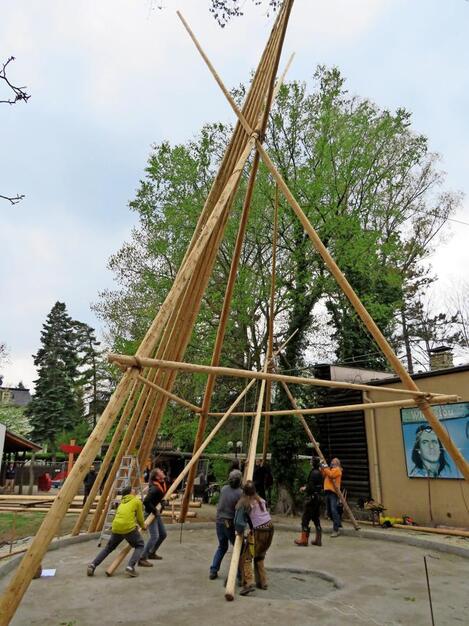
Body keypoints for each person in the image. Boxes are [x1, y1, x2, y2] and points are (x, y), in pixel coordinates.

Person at [87, 485, 146, 578]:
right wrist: (143, 526)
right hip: (128, 528)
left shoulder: (122, 502)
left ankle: (92, 565)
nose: (135, 490)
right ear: (130, 492)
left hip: (116, 527)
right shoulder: (136, 501)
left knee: (108, 548)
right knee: (140, 545)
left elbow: (117, 516)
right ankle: (130, 567)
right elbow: (140, 518)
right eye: (133, 489)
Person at [234, 480, 274, 596]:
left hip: (260, 530)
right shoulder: (261, 500)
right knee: (260, 555)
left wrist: (239, 532)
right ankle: (262, 582)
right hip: (270, 528)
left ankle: (248, 583)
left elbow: (239, 522)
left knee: (246, 557)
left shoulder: (245, 502)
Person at [209, 469, 242, 580]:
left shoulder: (224, 489)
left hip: (219, 521)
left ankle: (213, 570)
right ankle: (240, 574)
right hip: (229, 523)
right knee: (239, 548)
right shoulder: (240, 493)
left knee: (222, 546)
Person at [140, 468, 168, 563]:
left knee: (163, 534)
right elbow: (146, 501)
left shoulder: (160, 484)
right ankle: (142, 558)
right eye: (160, 472)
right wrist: (155, 510)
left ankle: (151, 553)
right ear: (157, 477)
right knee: (154, 536)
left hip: (155, 512)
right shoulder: (155, 488)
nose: (163, 472)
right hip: (150, 514)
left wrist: (164, 502)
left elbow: (159, 498)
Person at [294, 456, 323, 547]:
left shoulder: (313, 473)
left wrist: (304, 488)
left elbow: (311, 486)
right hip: (318, 498)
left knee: (305, 519)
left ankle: (304, 540)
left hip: (312, 498)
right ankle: (318, 540)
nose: (310, 462)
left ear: (313, 463)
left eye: (311, 461)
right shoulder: (319, 472)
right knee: (316, 518)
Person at [321, 458, 343, 538]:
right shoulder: (330, 469)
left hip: (333, 492)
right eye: (332, 461)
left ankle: (336, 530)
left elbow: (331, 475)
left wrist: (325, 467)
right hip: (327, 492)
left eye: (334, 461)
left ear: (337, 463)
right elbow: (324, 475)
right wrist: (322, 467)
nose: (332, 462)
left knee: (333, 510)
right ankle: (338, 523)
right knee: (329, 512)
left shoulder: (337, 470)